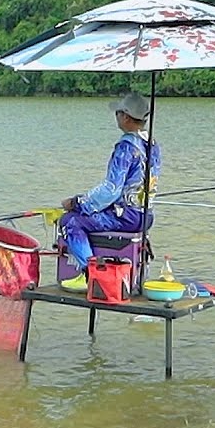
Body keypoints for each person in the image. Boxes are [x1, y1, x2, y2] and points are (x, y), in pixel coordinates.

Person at [58, 93, 161, 292]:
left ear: (126, 117)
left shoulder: (126, 147)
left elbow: (111, 189)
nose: (116, 116)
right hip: (145, 215)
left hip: (127, 216)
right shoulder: (152, 144)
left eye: (118, 113)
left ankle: (90, 275)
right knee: (87, 215)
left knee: (70, 221)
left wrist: (78, 203)